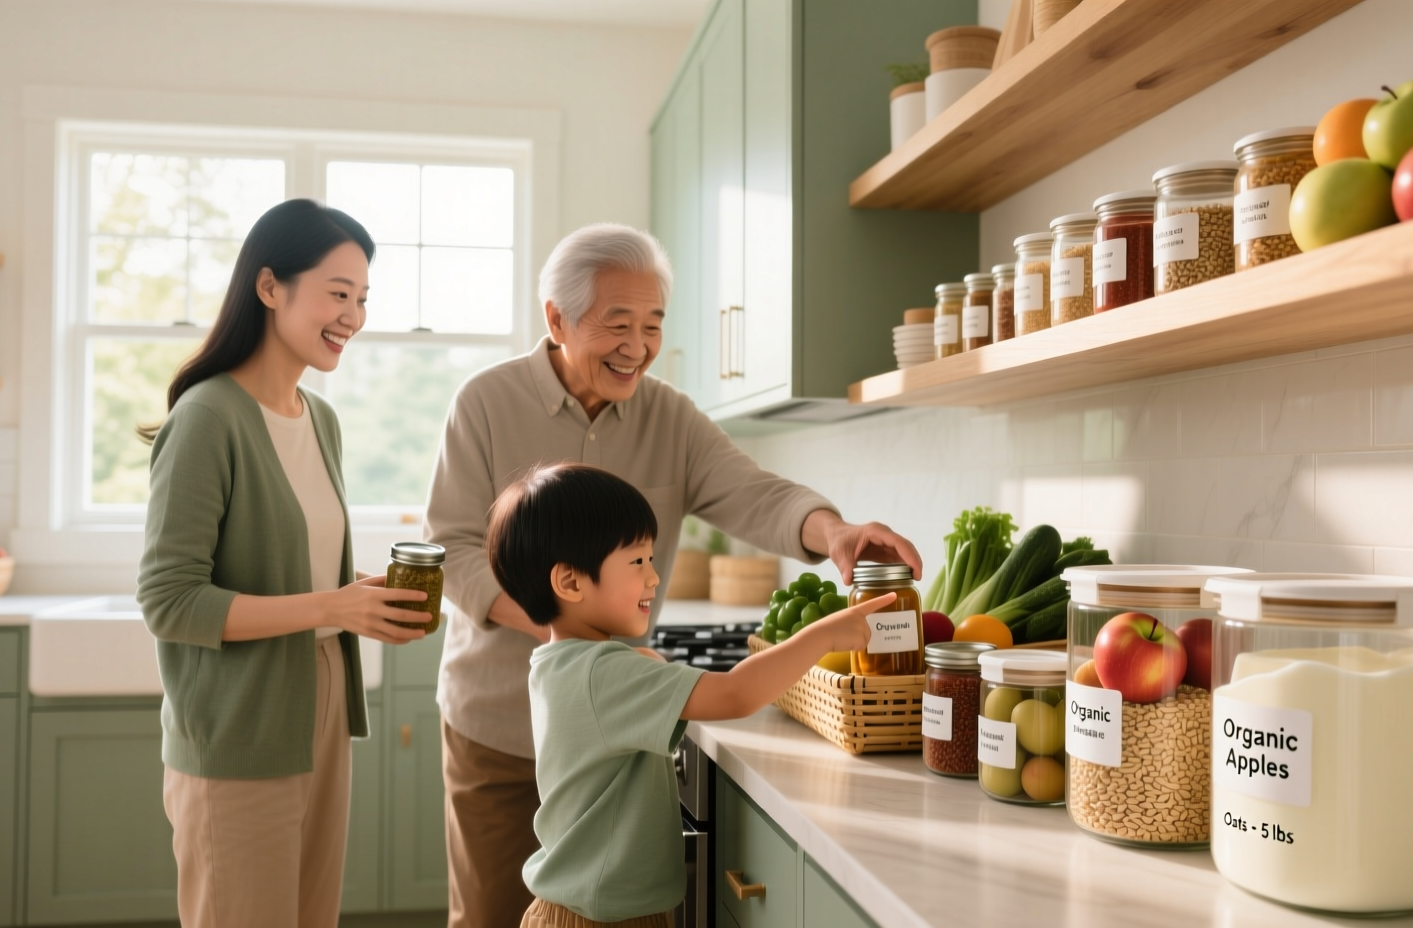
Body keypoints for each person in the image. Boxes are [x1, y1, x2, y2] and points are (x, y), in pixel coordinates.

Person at [422, 222, 922, 927]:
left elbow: (754, 493)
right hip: (496, 724)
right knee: (488, 916)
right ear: (556, 319)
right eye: (616, 323)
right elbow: (451, 550)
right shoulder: (484, 402)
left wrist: (833, 530)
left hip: (619, 724)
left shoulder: (673, 417)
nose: (638, 346)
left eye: (653, 324)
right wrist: (569, 632)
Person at [137, 199, 430, 928]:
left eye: (363, 299)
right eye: (338, 293)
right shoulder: (207, 417)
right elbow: (170, 601)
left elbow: (294, 572)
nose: (354, 316)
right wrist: (334, 608)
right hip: (239, 726)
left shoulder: (318, 417)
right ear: (270, 287)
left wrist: (359, 596)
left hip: (321, 710)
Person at [484, 464, 891, 928]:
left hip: (577, 906)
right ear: (571, 582)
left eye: (651, 559)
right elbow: (735, 694)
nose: (653, 578)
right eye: (636, 562)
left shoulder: (560, 662)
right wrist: (822, 637)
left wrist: (639, 665)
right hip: (608, 919)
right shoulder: (606, 672)